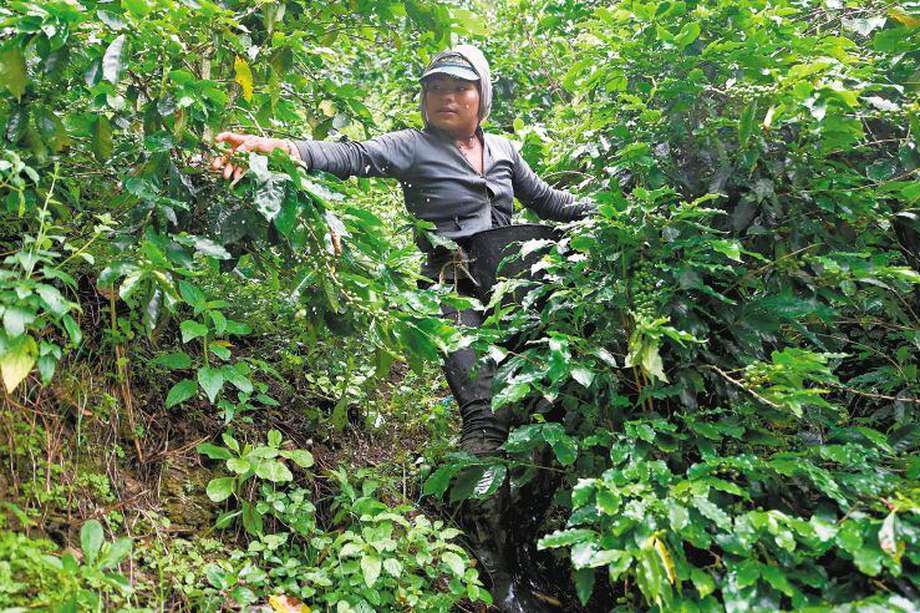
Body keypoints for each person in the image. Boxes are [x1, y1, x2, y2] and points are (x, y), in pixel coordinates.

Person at [211, 44, 594, 612]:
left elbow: (550, 201)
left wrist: (615, 213)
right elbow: (347, 155)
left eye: (461, 87)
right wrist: (278, 148)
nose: (446, 96)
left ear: (481, 97)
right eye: (435, 87)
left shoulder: (506, 149)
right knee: (483, 417)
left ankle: (541, 557)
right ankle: (501, 578)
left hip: (516, 292)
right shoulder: (412, 146)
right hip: (451, 288)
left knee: (536, 411)